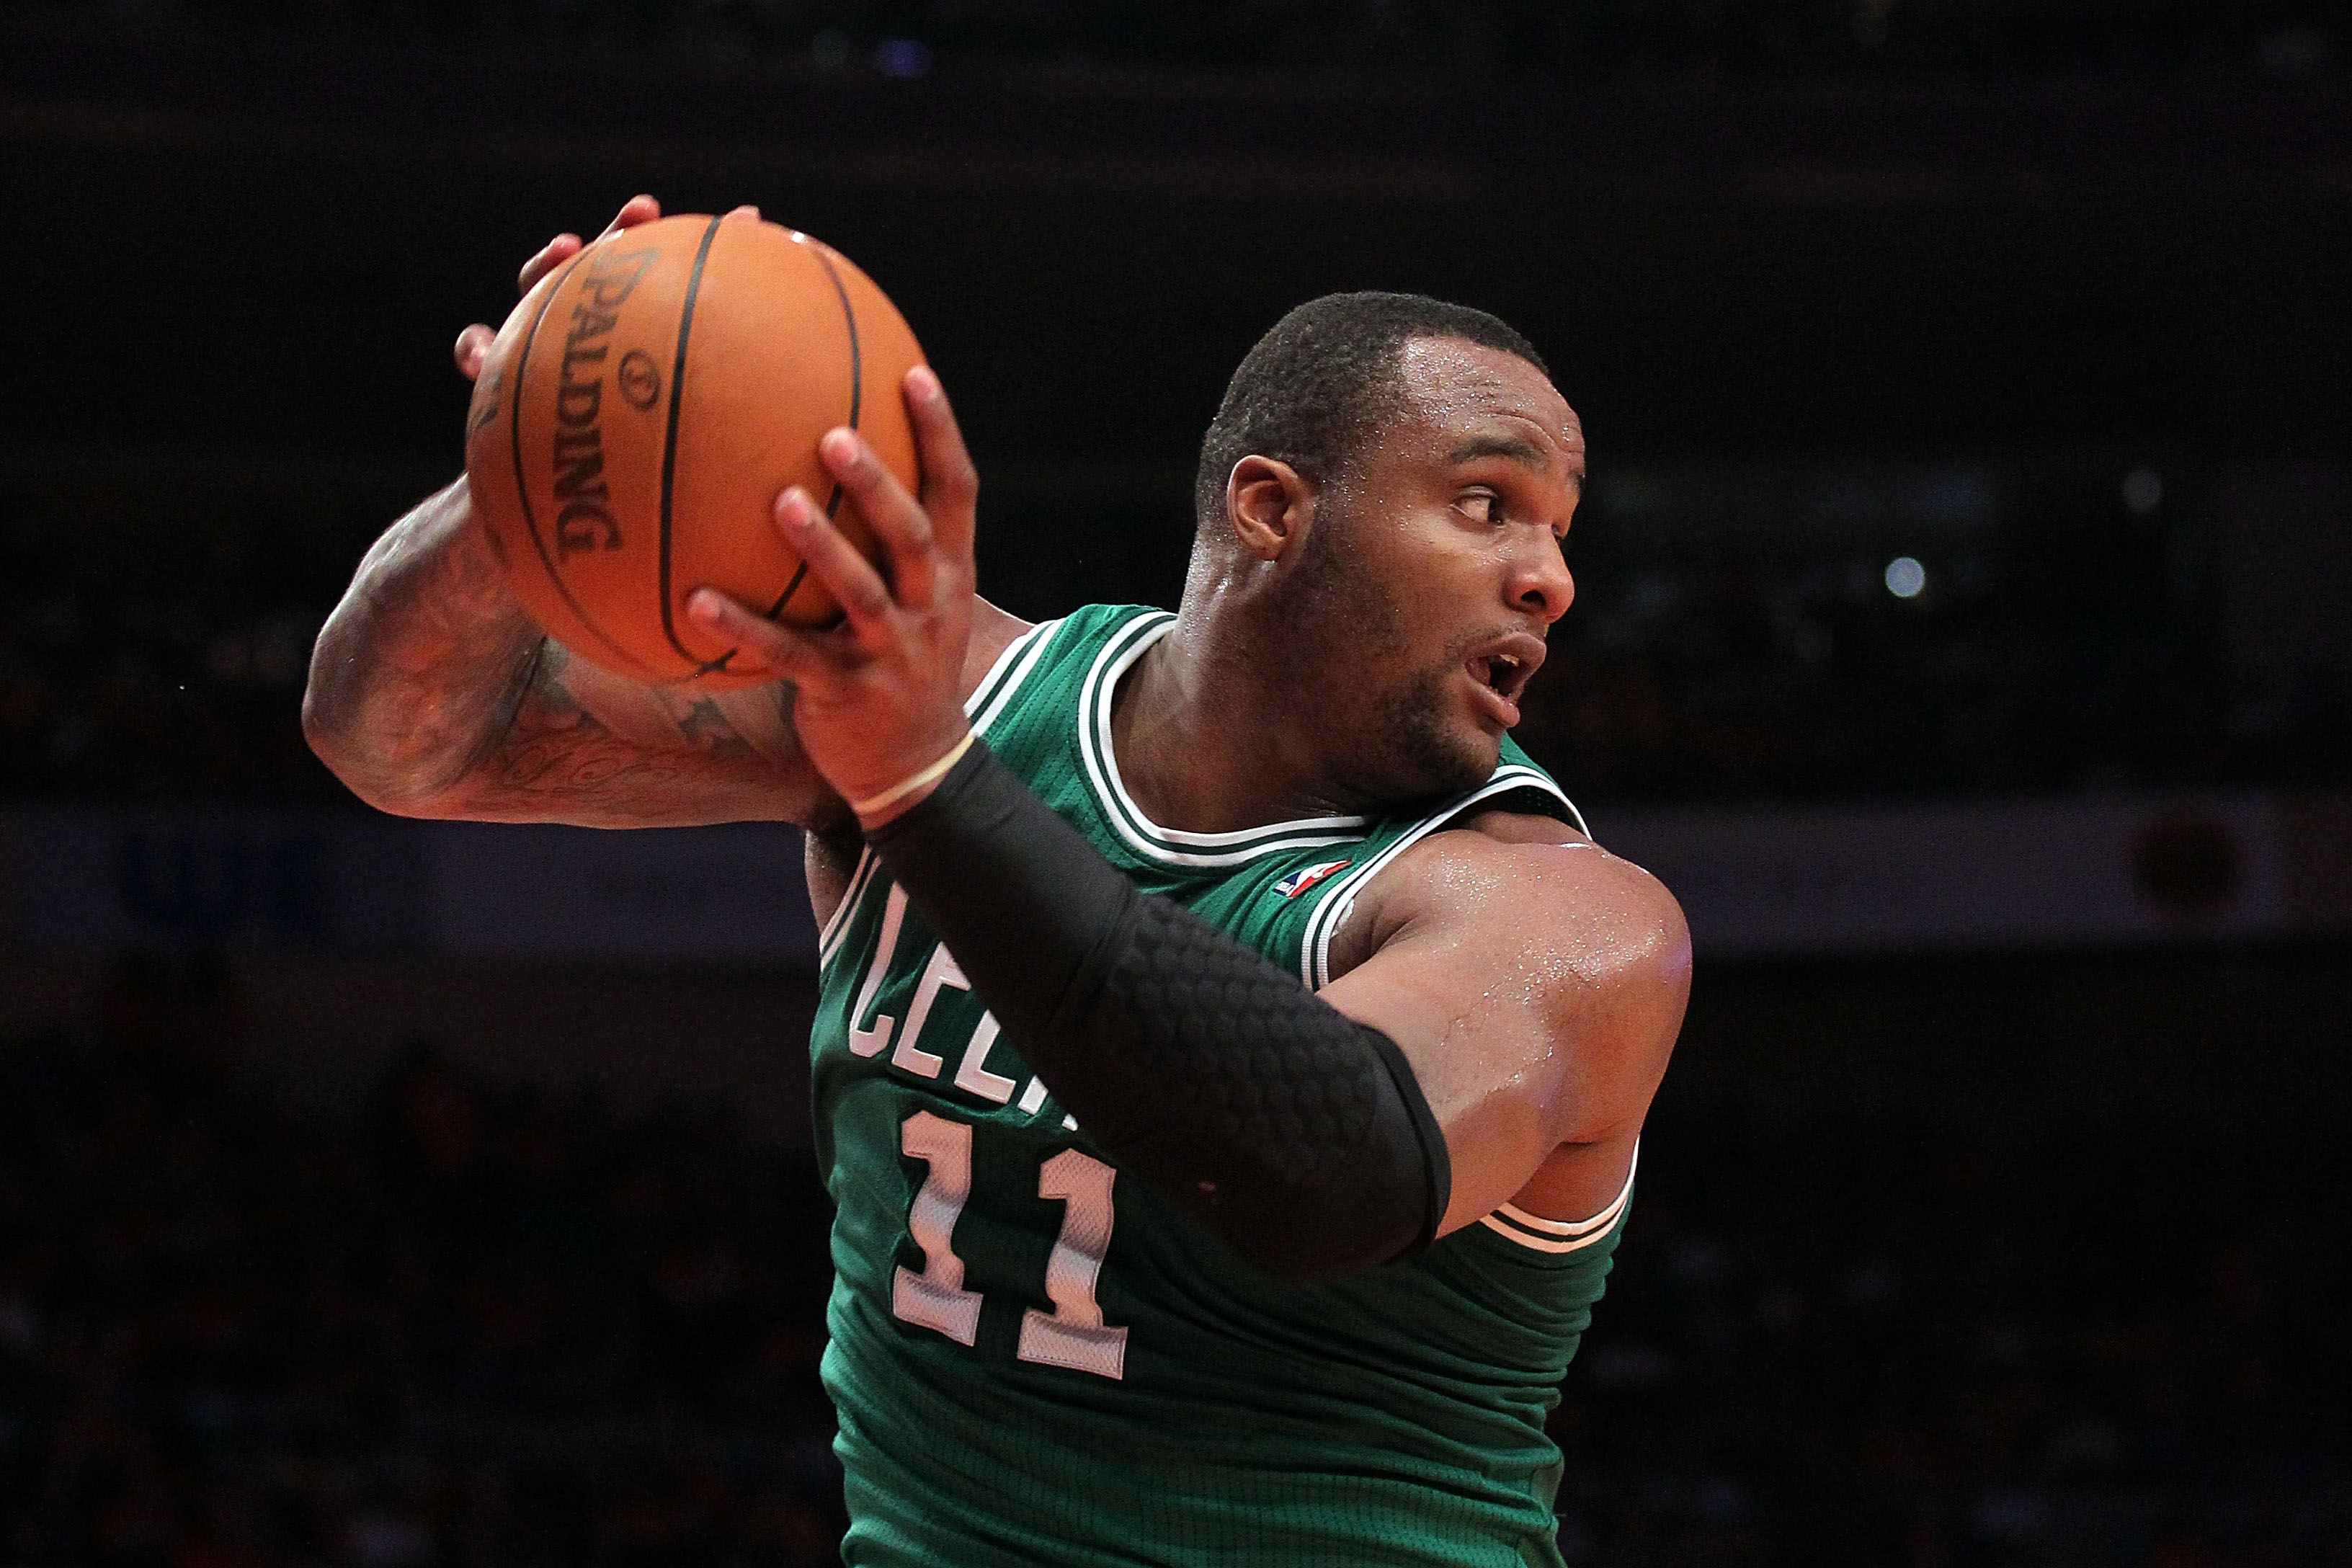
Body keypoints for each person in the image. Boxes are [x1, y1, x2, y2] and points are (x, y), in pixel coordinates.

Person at [305, 196, 1690, 1567]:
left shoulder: (1570, 926)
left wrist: (924, 784)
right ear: (1273, 510)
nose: (1550, 579)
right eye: (1487, 504)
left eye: (1560, 529)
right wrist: (530, 480)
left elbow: (1331, 1174)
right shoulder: (938, 692)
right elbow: (407, 743)